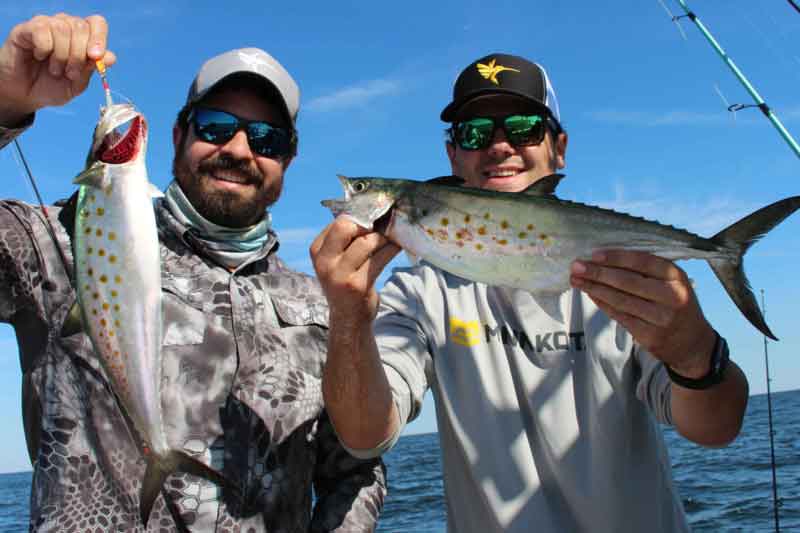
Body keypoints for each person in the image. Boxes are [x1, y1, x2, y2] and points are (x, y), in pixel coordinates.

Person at [311, 52, 749, 532]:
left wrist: (694, 356)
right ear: (453, 155)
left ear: (558, 147)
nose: (500, 146)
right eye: (475, 133)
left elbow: (716, 429)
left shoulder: (626, 282)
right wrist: (348, 316)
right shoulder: (418, 291)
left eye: (522, 128)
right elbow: (364, 435)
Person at [0, 13, 385, 532]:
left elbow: (354, 473)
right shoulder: (63, 242)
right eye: (216, 127)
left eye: (266, 139)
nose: (239, 150)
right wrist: (4, 100)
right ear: (180, 133)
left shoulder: (323, 307)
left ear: (288, 161)